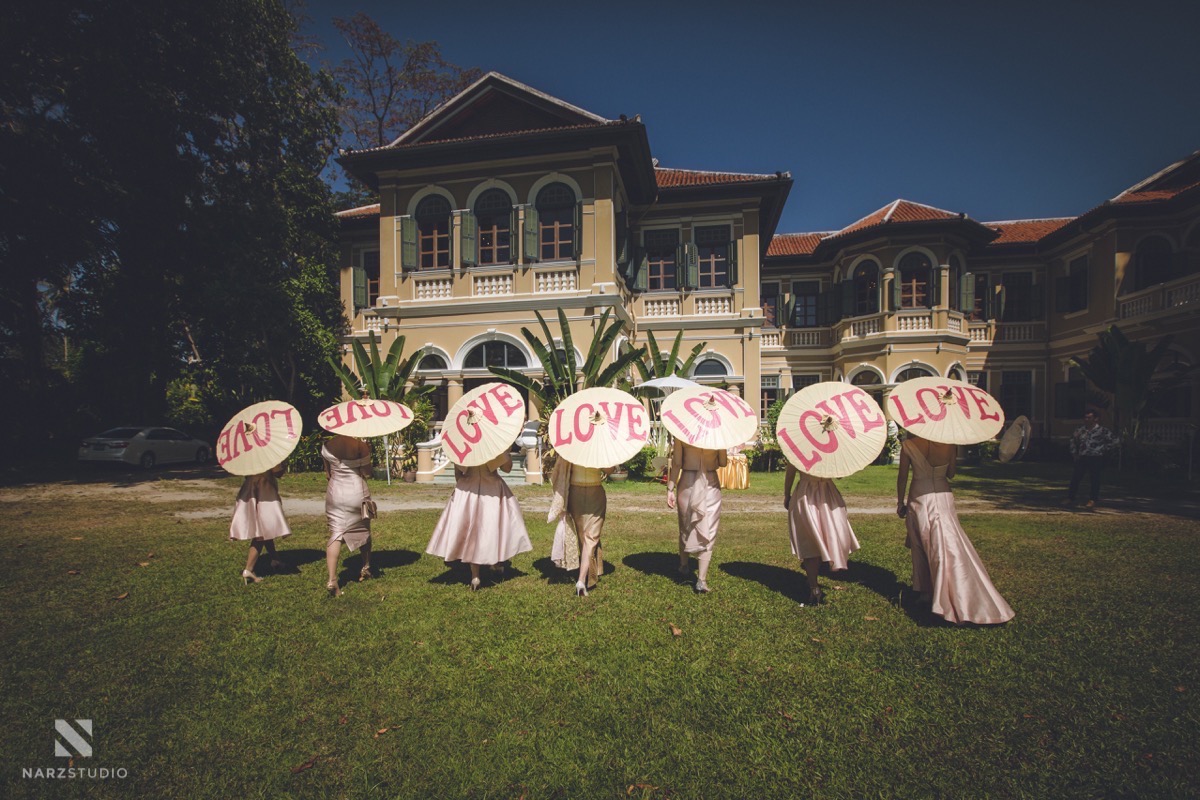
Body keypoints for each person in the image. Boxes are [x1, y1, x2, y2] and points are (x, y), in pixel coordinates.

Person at [897, 434, 1014, 625]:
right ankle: (946, 586)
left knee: (921, 542)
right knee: (947, 539)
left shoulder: (909, 445)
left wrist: (899, 501)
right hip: (943, 494)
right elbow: (951, 473)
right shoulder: (949, 445)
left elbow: (902, 475)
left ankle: (926, 591)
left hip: (920, 495)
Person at [426, 452, 533, 590]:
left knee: (471, 531)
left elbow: (458, 475)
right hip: (492, 488)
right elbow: (507, 469)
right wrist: (506, 454)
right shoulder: (493, 445)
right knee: (494, 526)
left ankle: (475, 576)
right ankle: (496, 563)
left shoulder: (463, 444)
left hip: (467, 487)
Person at [782, 462, 859, 604]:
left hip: (805, 494)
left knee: (810, 539)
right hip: (828, 493)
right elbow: (840, 475)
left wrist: (787, 494)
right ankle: (815, 582)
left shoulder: (797, 445)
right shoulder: (831, 448)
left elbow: (790, 472)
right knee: (828, 533)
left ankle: (814, 587)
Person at [666, 439, 727, 593]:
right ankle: (701, 579)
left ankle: (684, 565)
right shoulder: (718, 434)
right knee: (709, 528)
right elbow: (723, 462)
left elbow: (677, 463)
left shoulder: (682, 434)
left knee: (686, 525)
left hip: (687, 481)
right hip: (710, 483)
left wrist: (670, 488)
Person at [322, 434, 374, 597]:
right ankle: (365, 567)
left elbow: (328, 474)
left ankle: (332, 579)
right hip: (356, 491)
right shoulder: (360, 446)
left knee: (336, 533)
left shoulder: (327, 445)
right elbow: (368, 473)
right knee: (365, 527)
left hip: (335, 492)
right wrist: (368, 452)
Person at [548, 457, 610, 597]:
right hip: (595, 491)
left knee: (583, 536)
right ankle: (582, 579)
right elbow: (610, 470)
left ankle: (586, 573)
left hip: (575, 491)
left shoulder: (572, 444)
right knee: (590, 537)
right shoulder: (600, 446)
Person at [229, 465, 289, 584]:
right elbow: (278, 473)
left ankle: (275, 559)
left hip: (249, 489)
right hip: (264, 491)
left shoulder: (250, 454)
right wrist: (284, 465)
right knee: (261, 531)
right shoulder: (267, 455)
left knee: (264, 527)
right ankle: (249, 569)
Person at [1064, 408, 1118, 509]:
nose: (1086, 419)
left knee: (1095, 479)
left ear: (1095, 419)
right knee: (1076, 478)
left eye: (1089, 417)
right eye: (1085, 417)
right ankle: (1070, 497)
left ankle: (1093, 499)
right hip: (1083, 457)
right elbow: (1072, 440)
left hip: (1096, 457)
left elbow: (1114, 441)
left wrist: (1103, 449)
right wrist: (1074, 453)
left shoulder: (1102, 431)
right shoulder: (1080, 430)